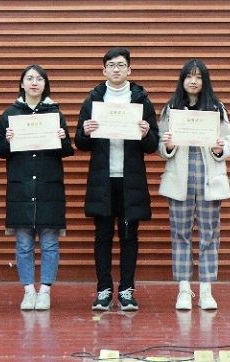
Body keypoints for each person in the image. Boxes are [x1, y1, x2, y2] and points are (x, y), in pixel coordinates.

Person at [75, 47, 159, 311]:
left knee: (129, 236)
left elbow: (153, 145)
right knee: (102, 236)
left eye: (121, 65)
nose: (116, 69)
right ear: (104, 70)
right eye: (111, 65)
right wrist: (85, 132)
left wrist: (146, 134)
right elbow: (79, 143)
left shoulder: (141, 101)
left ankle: (126, 291)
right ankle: (103, 290)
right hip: (103, 180)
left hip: (130, 180)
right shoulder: (93, 100)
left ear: (129, 69)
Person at [0, 64, 74, 311]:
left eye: (39, 79)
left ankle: (45, 291)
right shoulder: (11, 114)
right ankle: (28, 291)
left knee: (49, 244)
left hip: (49, 188)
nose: (34, 83)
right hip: (21, 189)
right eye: (29, 78)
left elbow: (68, 150)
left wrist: (62, 138)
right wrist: (7, 140)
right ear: (22, 84)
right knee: (24, 245)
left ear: (45, 84)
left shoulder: (54, 113)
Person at [158, 58, 230, 311]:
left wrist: (220, 148)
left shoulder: (216, 108)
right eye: (189, 76)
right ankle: (184, 290)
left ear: (205, 81)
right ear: (182, 80)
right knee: (180, 234)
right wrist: (168, 146)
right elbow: (160, 145)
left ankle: (206, 291)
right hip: (179, 180)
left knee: (209, 235)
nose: (193, 81)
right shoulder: (171, 108)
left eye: (198, 77)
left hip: (208, 179)